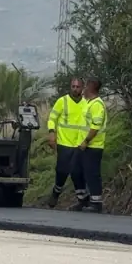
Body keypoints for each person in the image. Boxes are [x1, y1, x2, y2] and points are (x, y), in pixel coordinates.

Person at [45, 78, 90, 210]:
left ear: (82, 88)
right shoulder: (62, 101)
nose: (75, 89)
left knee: (77, 172)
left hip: (79, 144)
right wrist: (51, 133)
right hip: (64, 143)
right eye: (73, 86)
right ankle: (56, 193)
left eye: (78, 87)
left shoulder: (87, 103)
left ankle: (82, 199)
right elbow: (52, 118)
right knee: (62, 171)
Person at [79, 78, 107, 213]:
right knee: (85, 173)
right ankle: (87, 200)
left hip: (94, 146)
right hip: (86, 146)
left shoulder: (97, 104)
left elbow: (95, 127)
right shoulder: (88, 102)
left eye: (85, 86)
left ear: (90, 88)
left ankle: (96, 203)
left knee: (92, 174)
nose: (83, 89)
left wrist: (86, 141)